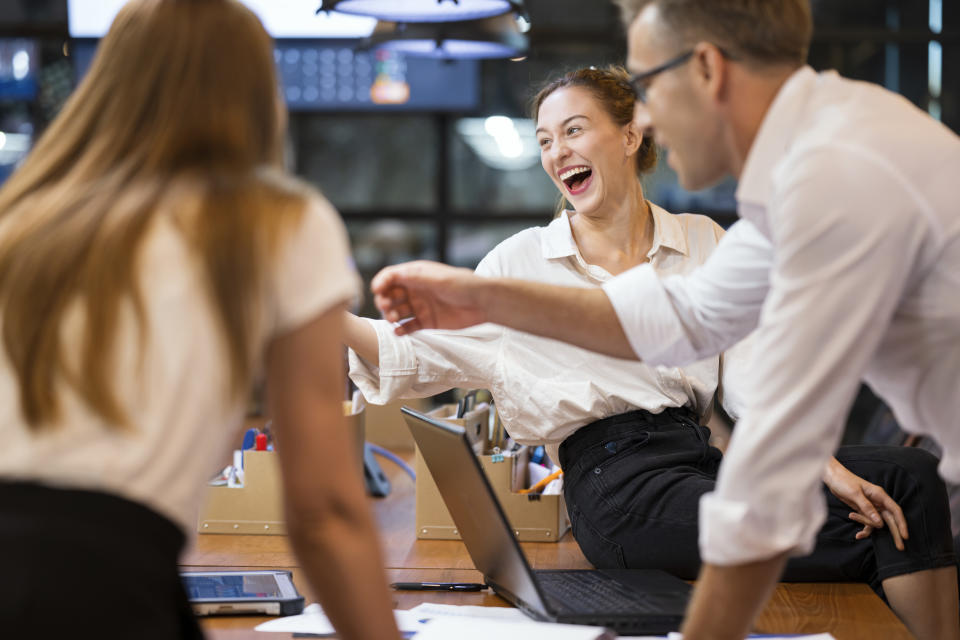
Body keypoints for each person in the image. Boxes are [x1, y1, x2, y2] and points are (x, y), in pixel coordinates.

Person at [369, 1, 960, 638]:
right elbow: (680, 320)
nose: (643, 115)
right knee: (890, 500)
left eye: (646, 87)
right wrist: (485, 298)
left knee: (893, 494)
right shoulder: (793, 175)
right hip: (628, 480)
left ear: (705, 69)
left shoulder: (832, 173)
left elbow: (778, 442)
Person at [0, 1, 399, 638]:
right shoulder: (274, 222)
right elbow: (323, 511)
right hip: (97, 579)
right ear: (254, 92)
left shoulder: (26, 221)